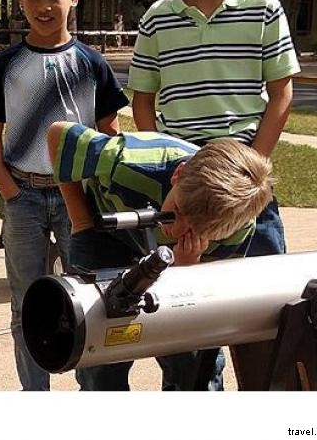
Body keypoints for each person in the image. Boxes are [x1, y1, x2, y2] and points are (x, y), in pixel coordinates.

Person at [127, 0, 300, 388]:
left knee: (268, 304)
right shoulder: (157, 20)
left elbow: (282, 91)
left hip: (245, 182)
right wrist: (168, 159)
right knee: (185, 314)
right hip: (186, 181)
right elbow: (143, 100)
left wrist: (254, 168)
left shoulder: (263, 8)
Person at [0, 0, 129, 391]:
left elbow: (108, 136)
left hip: (77, 199)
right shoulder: (5, 65)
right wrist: (11, 193)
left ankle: (88, 385)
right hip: (23, 198)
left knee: (85, 297)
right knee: (26, 301)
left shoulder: (91, 65)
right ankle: (34, 391)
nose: (43, 6)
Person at [47, 121, 274, 391]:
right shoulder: (127, 160)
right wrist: (81, 219)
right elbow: (58, 135)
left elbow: (210, 294)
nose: (177, 229)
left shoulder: (234, 225)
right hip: (105, 235)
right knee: (100, 345)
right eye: (177, 212)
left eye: (197, 230)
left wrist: (187, 269)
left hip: (185, 261)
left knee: (194, 356)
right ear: (179, 173)